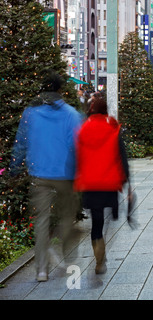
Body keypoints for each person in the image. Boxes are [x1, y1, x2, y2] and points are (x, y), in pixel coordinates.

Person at [10, 70, 83, 282]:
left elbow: (20, 144)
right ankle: (64, 246)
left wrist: (14, 169)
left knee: (41, 220)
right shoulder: (71, 114)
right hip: (64, 175)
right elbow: (78, 146)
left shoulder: (30, 114)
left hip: (39, 174)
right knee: (67, 215)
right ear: (61, 90)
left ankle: (41, 269)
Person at [73, 98, 129, 275]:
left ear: (91, 110)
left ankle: (99, 257)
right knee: (110, 216)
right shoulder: (112, 128)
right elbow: (122, 156)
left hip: (90, 183)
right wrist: (126, 179)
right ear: (105, 111)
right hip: (109, 182)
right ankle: (103, 249)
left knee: (96, 223)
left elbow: (77, 156)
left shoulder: (82, 130)